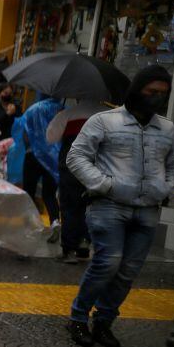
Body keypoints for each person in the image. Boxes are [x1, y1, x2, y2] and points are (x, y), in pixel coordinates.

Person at [65, 65, 174, 347]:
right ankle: (78, 317)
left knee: (128, 271)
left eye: (163, 94)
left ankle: (104, 321)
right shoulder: (105, 121)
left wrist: (168, 188)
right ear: (137, 90)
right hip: (108, 206)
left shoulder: (167, 129)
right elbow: (76, 157)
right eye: (151, 92)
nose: (156, 98)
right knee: (108, 263)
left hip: (148, 210)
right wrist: (104, 184)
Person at [47, 98, 111, 263]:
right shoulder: (108, 116)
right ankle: (84, 243)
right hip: (97, 168)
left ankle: (69, 249)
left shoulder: (68, 114)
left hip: (71, 167)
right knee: (90, 206)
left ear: (78, 96)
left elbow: (50, 137)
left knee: (69, 206)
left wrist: (58, 117)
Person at [20, 94, 64, 230]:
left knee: (29, 191)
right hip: (52, 157)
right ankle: (55, 221)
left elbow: (24, 132)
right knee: (49, 193)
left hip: (32, 155)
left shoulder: (32, 110)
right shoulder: (62, 110)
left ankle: (29, 222)